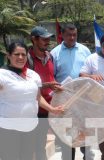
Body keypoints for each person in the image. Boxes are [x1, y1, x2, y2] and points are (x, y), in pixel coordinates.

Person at [0, 42, 63, 160]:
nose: (20, 57)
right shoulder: (3, 74)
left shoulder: (33, 75)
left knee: (27, 157)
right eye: (16, 54)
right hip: (8, 129)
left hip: (30, 127)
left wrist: (52, 109)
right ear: (8, 56)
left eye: (23, 55)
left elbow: (37, 97)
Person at [51, 24, 93, 160]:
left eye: (74, 35)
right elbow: (52, 76)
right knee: (68, 136)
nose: (72, 37)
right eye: (69, 35)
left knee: (85, 134)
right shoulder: (55, 53)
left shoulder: (85, 50)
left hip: (84, 99)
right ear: (62, 35)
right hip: (65, 100)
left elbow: (91, 72)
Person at [27, 26, 63, 160]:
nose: (48, 41)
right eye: (44, 39)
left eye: (48, 38)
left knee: (64, 141)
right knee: (36, 145)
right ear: (34, 40)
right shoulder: (26, 59)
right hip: (37, 110)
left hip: (53, 105)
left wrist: (56, 85)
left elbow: (51, 77)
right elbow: (26, 85)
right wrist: (47, 85)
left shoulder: (50, 56)